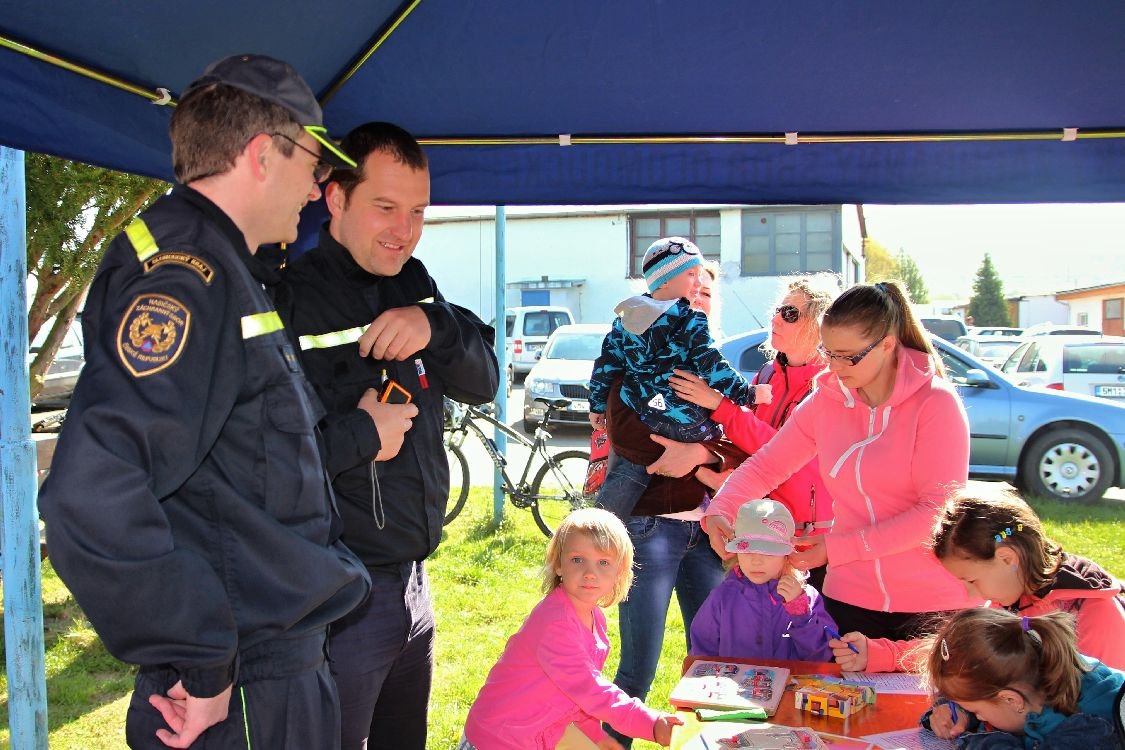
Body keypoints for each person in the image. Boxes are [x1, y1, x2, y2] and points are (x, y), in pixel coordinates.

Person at [37, 54, 374, 749]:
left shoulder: (223, 263)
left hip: (264, 668)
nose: (317, 187)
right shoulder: (189, 275)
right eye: (313, 161)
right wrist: (201, 653)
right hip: (243, 684)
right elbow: (92, 494)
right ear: (260, 154)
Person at [279, 121, 499, 750]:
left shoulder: (413, 279)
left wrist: (436, 323)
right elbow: (260, 461)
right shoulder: (290, 298)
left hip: (414, 583)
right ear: (336, 200)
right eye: (385, 207)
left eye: (418, 212)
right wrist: (361, 433)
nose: (404, 229)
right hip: (337, 596)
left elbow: (483, 382)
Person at [703, 280, 977, 641]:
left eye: (848, 356)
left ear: (888, 345)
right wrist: (722, 509)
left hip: (932, 604)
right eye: (829, 353)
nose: (835, 367)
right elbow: (768, 465)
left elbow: (936, 514)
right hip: (848, 597)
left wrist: (836, 548)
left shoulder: (935, 404)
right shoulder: (826, 400)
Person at [668, 273, 839, 590]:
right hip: (760, 531)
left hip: (809, 545)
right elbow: (752, 448)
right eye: (778, 308)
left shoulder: (831, 383)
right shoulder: (769, 373)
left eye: (789, 313)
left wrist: (722, 406)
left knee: (805, 632)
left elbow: (785, 452)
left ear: (819, 324)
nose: (776, 317)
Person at [840, 485, 1125, 674]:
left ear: (1007, 558)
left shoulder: (1094, 613)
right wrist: (879, 654)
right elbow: (961, 650)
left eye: (972, 580)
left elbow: (1105, 708)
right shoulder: (1015, 595)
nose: (969, 593)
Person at [460, 508, 683, 750]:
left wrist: (596, 738)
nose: (590, 573)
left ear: (619, 571)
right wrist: (650, 723)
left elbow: (576, 696)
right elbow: (591, 690)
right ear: (558, 564)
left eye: (603, 562)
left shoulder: (594, 617)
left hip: (534, 733)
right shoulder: (555, 624)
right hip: (497, 740)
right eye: (578, 560)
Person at [588, 236, 759, 519]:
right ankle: (595, 536)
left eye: (705, 292)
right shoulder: (684, 332)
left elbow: (743, 440)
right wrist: (744, 395)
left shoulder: (631, 321)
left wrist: (716, 409)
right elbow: (609, 375)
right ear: (666, 282)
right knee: (609, 518)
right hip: (657, 515)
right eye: (692, 279)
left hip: (703, 518)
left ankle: (597, 529)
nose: (695, 292)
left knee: (608, 514)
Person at [921, 609, 1125, 747]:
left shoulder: (1089, 731)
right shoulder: (1031, 668)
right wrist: (957, 711)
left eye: (977, 711)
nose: (980, 717)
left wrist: (971, 741)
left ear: (1012, 700)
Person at [689, 499, 836, 661]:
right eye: (747, 551)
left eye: (768, 552)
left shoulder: (804, 597)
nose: (756, 561)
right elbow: (702, 650)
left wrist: (801, 615)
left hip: (791, 685)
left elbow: (822, 654)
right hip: (735, 684)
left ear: (786, 555)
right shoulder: (723, 597)